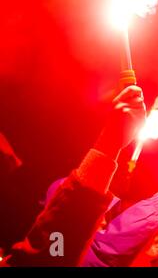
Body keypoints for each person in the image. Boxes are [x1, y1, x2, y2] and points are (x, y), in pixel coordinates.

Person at [2, 85, 146, 266]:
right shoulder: (59, 242)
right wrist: (111, 142)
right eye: (97, 220)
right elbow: (48, 257)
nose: (98, 225)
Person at [45, 159, 158, 267]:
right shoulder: (56, 251)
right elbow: (106, 249)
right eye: (95, 214)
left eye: (105, 215)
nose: (103, 222)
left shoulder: (55, 244)